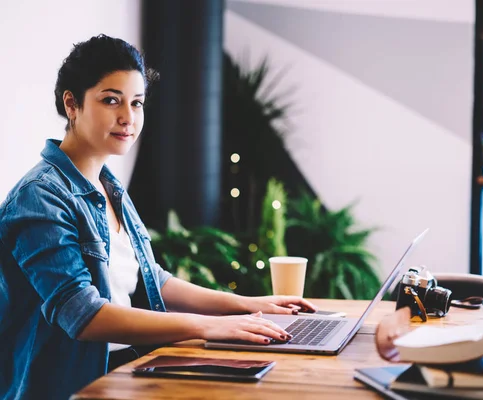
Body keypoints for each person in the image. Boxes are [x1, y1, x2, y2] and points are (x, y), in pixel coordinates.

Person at [0, 34, 317, 400]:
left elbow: (152, 278)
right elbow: (82, 315)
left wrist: (248, 304)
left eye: (137, 103)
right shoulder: (39, 196)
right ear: (72, 104)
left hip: (130, 370)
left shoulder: (108, 186)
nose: (128, 117)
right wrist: (207, 327)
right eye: (111, 100)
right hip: (70, 386)